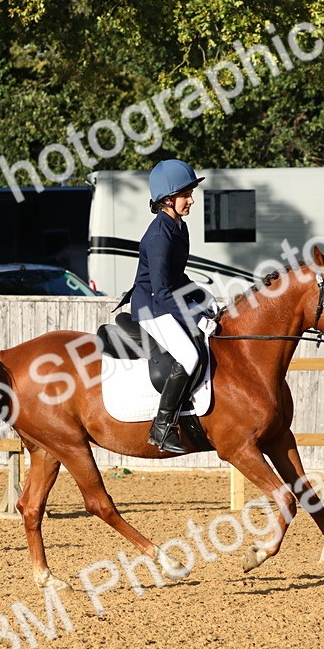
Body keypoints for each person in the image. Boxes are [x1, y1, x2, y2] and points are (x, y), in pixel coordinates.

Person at [129, 159, 214, 454]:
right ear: (167, 199)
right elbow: (162, 290)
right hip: (151, 307)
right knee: (190, 355)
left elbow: (176, 276)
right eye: (185, 195)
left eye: (191, 194)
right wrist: (194, 317)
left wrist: (201, 295)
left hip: (165, 300)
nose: (191, 200)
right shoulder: (159, 236)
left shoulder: (178, 227)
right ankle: (161, 427)